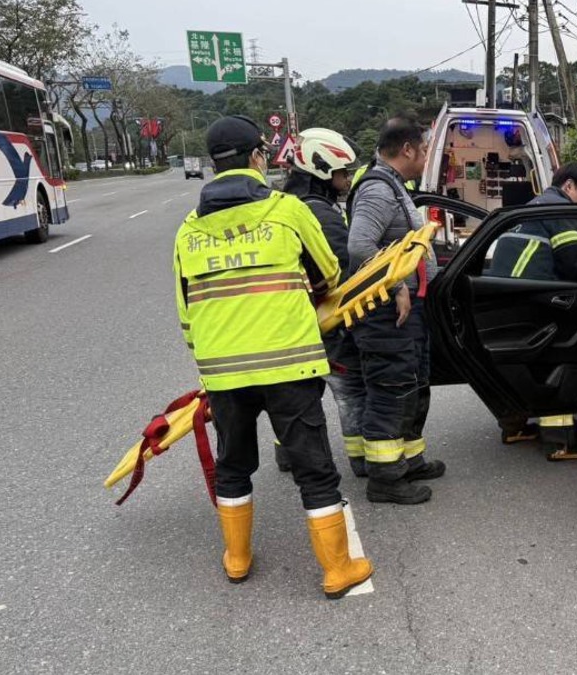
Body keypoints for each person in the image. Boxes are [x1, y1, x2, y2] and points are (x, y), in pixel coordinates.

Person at [174, 115, 372, 599]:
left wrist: (212, 362)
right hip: (289, 363)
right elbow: (328, 273)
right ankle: (337, 569)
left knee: (233, 465)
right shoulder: (286, 210)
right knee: (313, 468)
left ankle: (237, 558)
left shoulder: (187, 231)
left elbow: (185, 314)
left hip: (223, 371)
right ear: (258, 157)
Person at [346, 116, 444, 505]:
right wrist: (397, 285)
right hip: (387, 315)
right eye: (423, 150)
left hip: (407, 315)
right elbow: (359, 247)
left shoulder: (394, 186)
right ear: (407, 150)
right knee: (391, 391)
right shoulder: (377, 190)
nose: (425, 158)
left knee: (413, 386)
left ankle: (409, 460)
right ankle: (385, 479)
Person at [487, 163, 577, 461]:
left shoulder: (533, 206)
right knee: (562, 359)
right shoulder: (560, 210)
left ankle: (514, 426)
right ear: (569, 186)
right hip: (532, 298)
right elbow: (574, 262)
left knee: (517, 365)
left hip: (502, 298)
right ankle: (559, 441)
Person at [279, 128, 368, 479]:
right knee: (350, 387)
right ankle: (362, 458)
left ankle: (287, 454)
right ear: (323, 171)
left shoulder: (288, 206)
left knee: (296, 392)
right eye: (342, 173)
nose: (346, 180)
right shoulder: (323, 214)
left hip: (292, 319)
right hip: (326, 319)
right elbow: (342, 270)